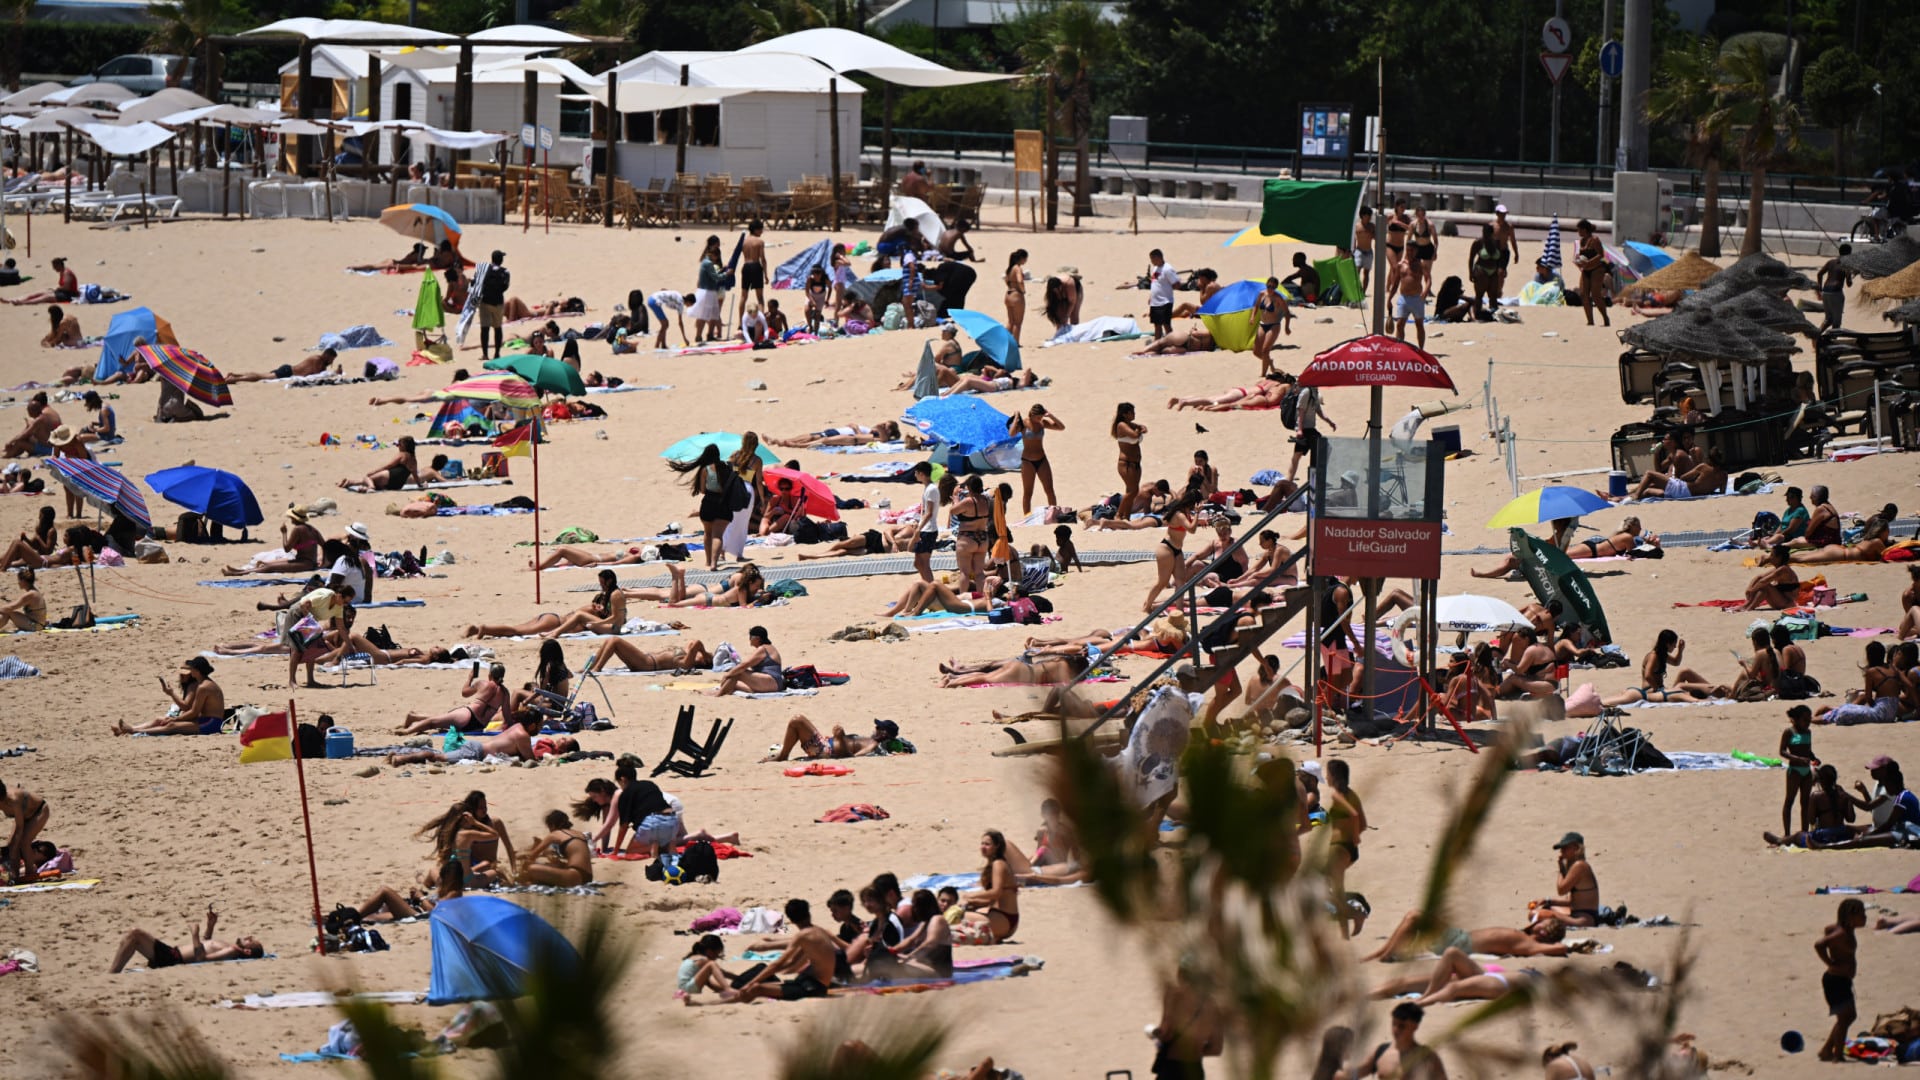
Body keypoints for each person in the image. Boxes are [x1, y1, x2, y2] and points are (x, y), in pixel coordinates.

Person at [732, 898, 841, 1002]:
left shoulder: (803, 935)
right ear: (808, 914)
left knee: (755, 988)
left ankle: (737, 991)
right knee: (761, 970)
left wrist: (750, 983)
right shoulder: (818, 930)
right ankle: (739, 986)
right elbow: (792, 962)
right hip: (808, 982)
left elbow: (778, 963)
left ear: (791, 920)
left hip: (813, 988)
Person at [1359, 911, 1569, 963]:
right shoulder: (1526, 935)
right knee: (1416, 917)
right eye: (1545, 923)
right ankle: (1383, 952)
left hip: (1458, 944)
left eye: (1548, 927)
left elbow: (1559, 949)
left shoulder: (1530, 944)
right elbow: (1540, 913)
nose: (1542, 924)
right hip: (1458, 937)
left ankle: (1385, 954)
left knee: (1415, 917)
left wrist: (1565, 945)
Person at [108, 905, 264, 973]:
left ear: (248, 951)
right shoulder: (230, 948)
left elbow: (201, 957)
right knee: (134, 935)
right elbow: (205, 946)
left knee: (134, 934)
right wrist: (210, 926)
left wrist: (194, 934)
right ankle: (113, 972)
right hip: (172, 954)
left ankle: (111, 975)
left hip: (172, 957)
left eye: (251, 940)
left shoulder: (233, 950)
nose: (248, 936)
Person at [387, 712, 563, 767]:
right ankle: (400, 759)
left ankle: (398, 755)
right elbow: (529, 760)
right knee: (438, 757)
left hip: (475, 747)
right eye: (539, 726)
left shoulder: (517, 727)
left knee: (440, 756)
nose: (540, 729)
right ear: (532, 725)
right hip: (475, 752)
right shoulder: (523, 735)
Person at [666, 443, 740, 572]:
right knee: (718, 536)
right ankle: (714, 564)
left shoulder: (705, 469)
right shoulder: (727, 467)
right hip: (724, 504)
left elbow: (702, 490)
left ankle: (708, 561)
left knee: (708, 533)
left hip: (708, 503)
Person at [111, 657, 226, 736]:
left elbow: (194, 712)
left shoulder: (204, 687)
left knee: (171, 725)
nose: (189, 671)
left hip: (211, 724)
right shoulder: (203, 684)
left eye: (191, 669)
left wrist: (175, 718)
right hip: (204, 720)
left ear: (197, 671)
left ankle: (133, 731)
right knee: (161, 720)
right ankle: (127, 730)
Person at [1149, 962, 1224, 1080]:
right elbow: (1216, 1049)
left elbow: (1165, 1032)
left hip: (1172, 1069)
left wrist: (1154, 1033)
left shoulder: (1174, 995)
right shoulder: (1214, 1007)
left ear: (1181, 974)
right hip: (1195, 1070)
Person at [1814, 898, 1867, 1062]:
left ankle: (1826, 1050)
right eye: (1861, 914)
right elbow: (1819, 944)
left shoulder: (1840, 929)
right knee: (1846, 1017)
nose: (1865, 917)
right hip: (1836, 980)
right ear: (1850, 917)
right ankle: (1837, 1055)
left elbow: (1827, 930)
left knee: (1846, 1017)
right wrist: (1830, 963)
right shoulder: (1842, 933)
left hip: (1840, 980)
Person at [395, 663, 509, 735]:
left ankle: (408, 730)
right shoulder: (505, 693)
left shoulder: (483, 683)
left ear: (490, 675)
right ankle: (414, 718)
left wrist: (469, 678)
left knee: (434, 722)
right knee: (441, 721)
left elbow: (465, 693)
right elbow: (508, 717)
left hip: (467, 714)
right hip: (477, 727)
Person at [1351, 1002, 1446, 1078]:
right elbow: (1357, 1073)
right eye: (1393, 1024)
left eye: (1402, 1026)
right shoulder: (1381, 1052)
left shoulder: (1427, 1057)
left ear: (1415, 1026)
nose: (1396, 1030)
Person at [962, 830, 1021, 942]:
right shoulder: (995, 864)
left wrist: (972, 896)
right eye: (982, 844)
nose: (983, 847)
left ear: (997, 846)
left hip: (1004, 919)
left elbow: (996, 892)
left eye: (987, 844)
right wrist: (975, 903)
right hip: (1005, 920)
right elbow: (994, 899)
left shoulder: (998, 864)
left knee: (958, 916)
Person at [1793, 502, 1898, 564]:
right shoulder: (1877, 542)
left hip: (1838, 550)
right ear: (1882, 531)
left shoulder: (1869, 539)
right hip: (1840, 554)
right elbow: (1889, 558)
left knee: (1802, 558)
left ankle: (1781, 557)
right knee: (1801, 559)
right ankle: (1779, 557)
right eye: (1887, 531)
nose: (1888, 533)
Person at [1536, 831, 1600, 927]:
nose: (1562, 851)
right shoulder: (1578, 865)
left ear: (1576, 848)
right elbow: (1571, 902)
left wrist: (1561, 869)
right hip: (1581, 915)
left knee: (1535, 914)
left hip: (1583, 919)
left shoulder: (1580, 866)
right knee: (1547, 908)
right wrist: (1548, 900)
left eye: (1565, 848)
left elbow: (1561, 890)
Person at [517, 810, 594, 887]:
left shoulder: (554, 834)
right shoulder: (580, 834)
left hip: (573, 876)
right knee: (554, 866)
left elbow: (532, 856)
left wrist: (521, 858)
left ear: (552, 825)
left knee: (531, 868)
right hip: (588, 877)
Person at [1620, 446, 1726, 502]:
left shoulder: (1703, 467)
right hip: (1690, 494)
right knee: (1650, 489)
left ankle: (1635, 496)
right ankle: (1624, 497)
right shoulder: (1724, 475)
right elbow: (1722, 493)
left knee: (1649, 474)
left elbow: (1683, 477)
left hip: (1682, 489)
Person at [0, 778, 50, 883]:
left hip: (39, 811)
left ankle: (30, 872)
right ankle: (15, 874)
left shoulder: (13, 800)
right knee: (10, 844)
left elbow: (19, 828)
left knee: (23, 842)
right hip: (23, 816)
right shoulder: (3, 800)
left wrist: (14, 847)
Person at [723, 433, 764, 559]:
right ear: (755, 444)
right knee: (743, 523)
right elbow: (758, 482)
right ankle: (739, 554)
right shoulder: (757, 460)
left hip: (734, 488)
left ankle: (721, 551)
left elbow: (726, 469)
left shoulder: (735, 455)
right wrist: (762, 499)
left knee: (729, 520)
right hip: (747, 489)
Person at [1287, 380, 1334, 483]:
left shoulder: (1314, 391)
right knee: (1322, 449)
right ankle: (1314, 479)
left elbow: (1318, 410)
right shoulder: (1306, 392)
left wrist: (1329, 422)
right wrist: (1299, 430)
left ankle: (1290, 481)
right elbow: (1300, 412)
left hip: (1309, 429)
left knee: (1297, 456)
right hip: (1305, 430)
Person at [338, 435, 421, 492]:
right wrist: (420, 486)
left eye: (399, 444)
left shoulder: (402, 455)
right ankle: (349, 482)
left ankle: (371, 487)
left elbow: (389, 466)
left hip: (389, 477)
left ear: (404, 446)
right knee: (369, 480)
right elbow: (415, 476)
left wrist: (374, 472)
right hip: (398, 485)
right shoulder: (414, 460)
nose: (398, 446)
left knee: (367, 477)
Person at [678, 934, 741, 1004]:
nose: (717, 957)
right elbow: (723, 973)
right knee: (712, 964)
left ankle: (688, 999)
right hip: (688, 987)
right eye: (717, 953)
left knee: (712, 973)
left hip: (685, 989)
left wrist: (721, 990)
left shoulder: (695, 957)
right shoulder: (704, 960)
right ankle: (728, 989)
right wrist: (739, 978)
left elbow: (709, 983)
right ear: (709, 951)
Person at [1572, 219, 1612, 326]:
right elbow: (1581, 255)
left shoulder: (1595, 240)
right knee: (1583, 294)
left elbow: (1600, 255)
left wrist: (1589, 262)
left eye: (1579, 229)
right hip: (1586, 269)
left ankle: (1605, 318)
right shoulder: (1582, 241)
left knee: (1595, 295)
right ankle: (1590, 320)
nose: (1578, 232)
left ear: (1584, 229)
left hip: (1597, 269)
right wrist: (1578, 261)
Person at [910, 461, 944, 583]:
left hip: (928, 530)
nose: (915, 475)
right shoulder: (928, 488)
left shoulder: (931, 489)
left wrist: (919, 529)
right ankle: (928, 586)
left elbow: (929, 512)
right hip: (926, 528)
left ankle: (931, 588)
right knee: (918, 563)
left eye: (916, 472)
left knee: (924, 563)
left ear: (922, 473)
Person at [228, 348, 337, 383]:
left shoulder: (319, 361)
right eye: (331, 359)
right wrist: (332, 370)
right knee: (261, 377)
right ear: (327, 355)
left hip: (288, 369)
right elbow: (318, 374)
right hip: (288, 371)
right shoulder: (317, 359)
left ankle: (236, 375)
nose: (331, 361)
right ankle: (236, 379)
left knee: (261, 374)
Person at [476, 250, 509, 360]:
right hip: (498, 303)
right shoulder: (505, 272)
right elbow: (505, 287)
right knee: (497, 328)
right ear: (501, 260)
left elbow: (477, 282)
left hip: (485, 302)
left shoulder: (484, 269)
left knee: (484, 329)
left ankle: (485, 354)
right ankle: (497, 353)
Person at [1744, 545, 1800, 610]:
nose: (1770, 558)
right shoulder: (1778, 568)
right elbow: (1759, 577)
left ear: (1779, 557)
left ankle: (1748, 607)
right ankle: (1747, 606)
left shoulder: (1784, 569)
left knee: (1765, 585)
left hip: (1787, 604)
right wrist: (1749, 588)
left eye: (1772, 555)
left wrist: (1752, 591)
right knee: (1763, 589)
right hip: (1780, 602)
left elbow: (1764, 581)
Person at [1469, 222, 1509, 310]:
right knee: (1479, 296)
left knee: (1493, 296)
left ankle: (1493, 314)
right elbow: (1471, 258)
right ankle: (1477, 314)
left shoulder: (1497, 243)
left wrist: (1503, 268)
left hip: (1494, 271)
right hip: (1481, 270)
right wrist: (1471, 273)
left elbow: (1500, 258)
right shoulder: (1478, 243)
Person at [1393, 249, 1426, 347]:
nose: (1410, 252)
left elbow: (1428, 279)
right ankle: (1400, 347)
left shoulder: (1420, 265)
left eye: (1412, 250)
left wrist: (1425, 292)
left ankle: (1421, 349)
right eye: (1408, 250)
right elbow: (1396, 282)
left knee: (1419, 324)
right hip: (1404, 298)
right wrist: (1390, 298)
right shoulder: (1401, 265)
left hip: (1417, 298)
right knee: (1399, 324)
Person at [1817, 243, 1853, 333]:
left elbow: (1819, 274)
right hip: (1836, 292)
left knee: (1828, 319)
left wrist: (1819, 289)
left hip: (1825, 291)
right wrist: (1851, 276)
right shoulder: (1847, 265)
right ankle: (1832, 343)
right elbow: (1849, 284)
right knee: (1836, 323)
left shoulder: (1831, 262)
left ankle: (1816, 334)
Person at [1146, 248, 1178, 337]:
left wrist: (1167, 289)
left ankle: (1172, 342)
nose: (1151, 261)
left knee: (1166, 325)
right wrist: (1151, 296)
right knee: (1157, 325)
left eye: (1152, 259)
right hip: (1155, 302)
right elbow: (1155, 282)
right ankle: (1158, 343)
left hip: (1165, 301)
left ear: (1158, 258)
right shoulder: (1155, 269)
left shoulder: (1168, 269)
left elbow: (1176, 284)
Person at [1408, 204, 1439, 296]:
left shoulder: (1430, 225)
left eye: (1422, 215)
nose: (1421, 217)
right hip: (1417, 249)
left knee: (1427, 271)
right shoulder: (1413, 225)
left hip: (1428, 248)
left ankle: (1427, 289)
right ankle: (1417, 288)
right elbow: (1409, 239)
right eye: (1419, 215)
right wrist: (1408, 252)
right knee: (1416, 270)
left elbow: (1436, 241)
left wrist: (1435, 252)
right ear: (1416, 215)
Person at [1000, 248, 1029, 343]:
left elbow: (1006, 280)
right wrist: (1023, 290)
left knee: (1010, 321)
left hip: (1008, 294)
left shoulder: (1010, 268)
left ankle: (1004, 341)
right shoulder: (1017, 268)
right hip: (1016, 295)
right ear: (1022, 258)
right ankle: (1015, 342)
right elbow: (1020, 280)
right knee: (1017, 323)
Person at [739, 218, 768, 311]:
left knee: (743, 296)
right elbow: (763, 259)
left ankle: (740, 323)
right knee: (760, 298)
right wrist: (766, 274)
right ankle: (762, 319)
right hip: (756, 266)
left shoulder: (744, 242)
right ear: (755, 229)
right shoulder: (759, 242)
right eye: (760, 229)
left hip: (746, 266)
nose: (762, 232)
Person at [1353, 205, 1377, 294]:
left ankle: (1363, 291)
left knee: (1366, 273)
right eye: (1367, 215)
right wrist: (1353, 250)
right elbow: (1354, 239)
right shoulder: (1357, 226)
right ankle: (1357, 290)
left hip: (1369, 251)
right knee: (1357, 271)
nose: (1369, 218)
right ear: (1362, 215)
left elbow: (1376, 238)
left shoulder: (1372, 226)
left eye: (1370, 216)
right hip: (1359, 251)